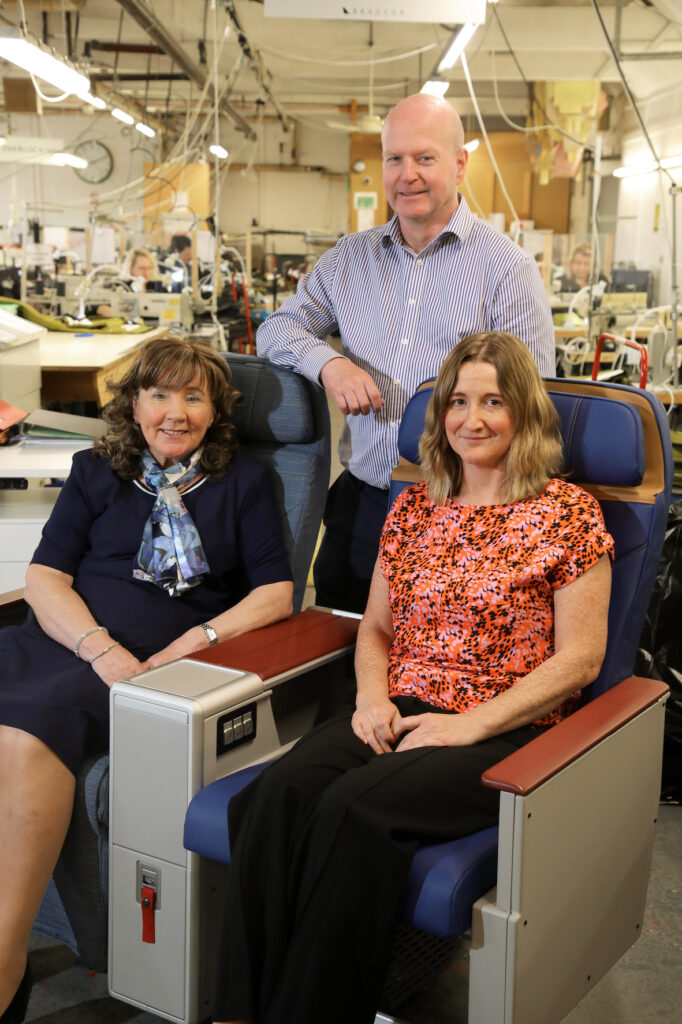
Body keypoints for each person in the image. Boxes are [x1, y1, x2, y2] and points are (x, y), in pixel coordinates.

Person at [211, 330, 613, 1024]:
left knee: (351, 813)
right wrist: (370, 698)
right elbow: (375, 629)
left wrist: (471, 725)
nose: (472, 418)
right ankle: (239, 1011)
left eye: (493, 401)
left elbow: (581, 659)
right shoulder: (415, 508)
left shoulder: (566, 514)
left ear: (525, 412)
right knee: (275, 796)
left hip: (507, 725)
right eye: (458, 401)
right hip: (399, 702)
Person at [0, 335, 293, 1023]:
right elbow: (45, 577)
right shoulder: (95, 470)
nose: (174, 411)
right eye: (159, 393)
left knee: (23, 734)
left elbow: (276, 593)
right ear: (133, 403)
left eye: (195, 395)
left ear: (217, 408)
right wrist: (94, 645)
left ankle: (5, 958)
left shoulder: (243, 483)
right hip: (71, 640)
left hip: (149, 663)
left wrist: (198, 637)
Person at [257, 93, 556, 614]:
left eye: (425, 158)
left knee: (435, 663)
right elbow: (278, 329)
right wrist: (329, 363)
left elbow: (531, 400)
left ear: (460, 163)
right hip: (366, 497)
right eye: (394, 159)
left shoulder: (506, 269)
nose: (407, 175)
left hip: (463, 508)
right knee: (340, 643)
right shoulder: (350, 259)